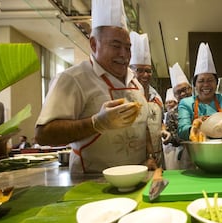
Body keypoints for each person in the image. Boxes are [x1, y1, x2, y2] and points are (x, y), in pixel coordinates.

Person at [35, 0, 158, 173]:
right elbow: (43, 135)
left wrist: (150, 156)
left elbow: (142, 125)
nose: (124, 54)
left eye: (127, 48)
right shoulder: (73, 79)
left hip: (137, 178)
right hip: (92, 183)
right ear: (94, 44)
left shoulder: (134, 83)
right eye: (116, 46)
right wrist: (96, 123)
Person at [178, 42, 222, 141]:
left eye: (210, 80)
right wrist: (208, 128)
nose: (206, 85)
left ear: (216, 83)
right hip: (196, 150)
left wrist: (201, 127)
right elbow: (182, 131)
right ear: (195, 85)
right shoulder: (186, 103)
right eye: (201, 81)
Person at [129, 31, 167, 167]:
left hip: (158, 156)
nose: (145, 75)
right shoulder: (127, 95)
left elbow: (161, 121)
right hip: (135, 159)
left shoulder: (156, 97)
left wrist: (163, 129)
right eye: (140, 70)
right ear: (131, 70)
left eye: (148, 70)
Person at [163, 63, 193, 169]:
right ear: (175, 95)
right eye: (179, 92)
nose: (183, 94)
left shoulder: (203, 106)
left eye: (185, 89)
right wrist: (170, 138)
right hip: (184, 154)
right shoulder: (171, 114)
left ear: (191, 89)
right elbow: (172, 137)